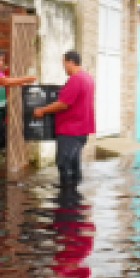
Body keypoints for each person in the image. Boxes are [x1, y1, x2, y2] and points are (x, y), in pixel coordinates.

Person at [33, 50, 95, 187]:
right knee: (73, 164)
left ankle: (67, 200)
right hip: (81, 129)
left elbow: (64, 103)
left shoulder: (76, 79)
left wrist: (42, 110)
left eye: (64, 63)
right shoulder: (88, 77)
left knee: (64, 164)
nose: (64, 67)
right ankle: (75, 199)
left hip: (70, 130)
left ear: (71, 62)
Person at [0, 48, 36, 143]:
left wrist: (21, 82)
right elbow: (6, 82)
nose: (2, 63)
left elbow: (5, 80)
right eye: (0, 60)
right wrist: (28, 79)